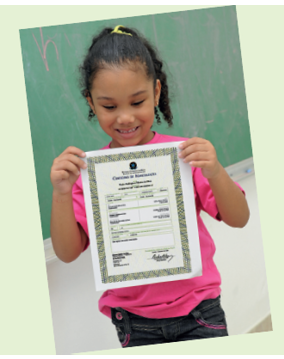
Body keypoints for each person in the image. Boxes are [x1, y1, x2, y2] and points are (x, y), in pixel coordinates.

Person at [50, 25, 250, 347]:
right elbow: (67, 252)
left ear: (156, 92)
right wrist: (61, 194)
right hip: (134, 321)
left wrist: (214, 171)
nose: (125, 118)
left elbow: (239, 218)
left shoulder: (185, 155)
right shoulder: (89, 174)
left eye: (137, 101)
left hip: (200, 310)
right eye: (110, 106)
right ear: (91, 102)